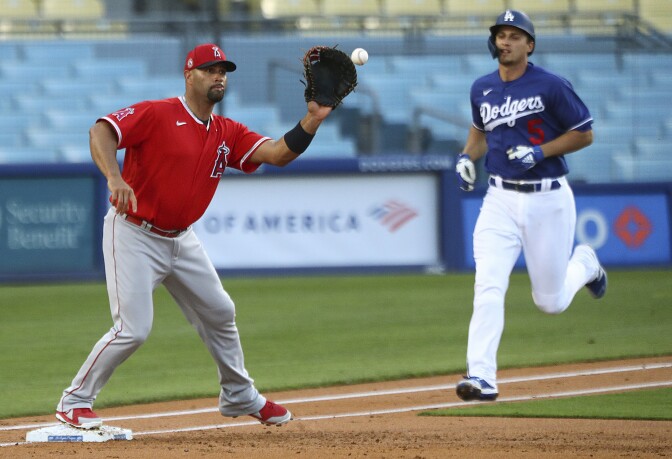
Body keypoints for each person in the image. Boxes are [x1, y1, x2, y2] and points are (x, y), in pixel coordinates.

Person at [55, 43, 335, 429]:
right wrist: (115, 177)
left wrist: (313, 119)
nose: (219, 76)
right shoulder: (158, 113)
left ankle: (239, 395)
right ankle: (74, 401)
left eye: (223, 70)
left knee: (220, 312)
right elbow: (102, 130)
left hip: (181, 239)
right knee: (133, 330)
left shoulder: (227, 130)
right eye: (209, 69)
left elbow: (276, 154)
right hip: (134, 232)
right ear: (189, 75)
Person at [454, 10, 607, 402]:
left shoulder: (551, 85)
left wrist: (540, 151)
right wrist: (466, 157)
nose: (505, 41)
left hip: (549, 199)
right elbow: (479, 131)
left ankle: (586, 263)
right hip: (499, 198)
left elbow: (584, 134)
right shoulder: (482, 88)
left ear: (529, 45)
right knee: (488, 284)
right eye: (501, 35)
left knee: (550, 302)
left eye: (514, 35)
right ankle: (482, 376)